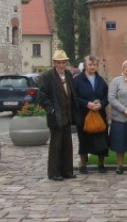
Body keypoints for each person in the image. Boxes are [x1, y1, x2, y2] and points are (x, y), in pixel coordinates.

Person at [38, 49, 80, 181]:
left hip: (67, 114)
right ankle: (54, 172)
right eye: (59, 63)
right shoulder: (47, 76)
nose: (61, 65)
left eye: (63, 63)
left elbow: (73, 92)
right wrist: (51, 110)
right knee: (56, 145)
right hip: (55, 115)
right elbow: (43, 96)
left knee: (67, 144)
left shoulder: (68, 74)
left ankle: (67, 171)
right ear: (54, 63)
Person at [73, 55, 109, 174]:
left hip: (99, 114)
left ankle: (101, 164)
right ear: (85, 65)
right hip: (84, 115)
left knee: (101, 140)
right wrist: (86, 104)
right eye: (90, 64)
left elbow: (106, 96)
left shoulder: (101, 80)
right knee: (84, 140)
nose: (92, 67)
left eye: (94, 65)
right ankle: (83, 165)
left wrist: (101, 104)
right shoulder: (77, 80)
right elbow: (74, 97)